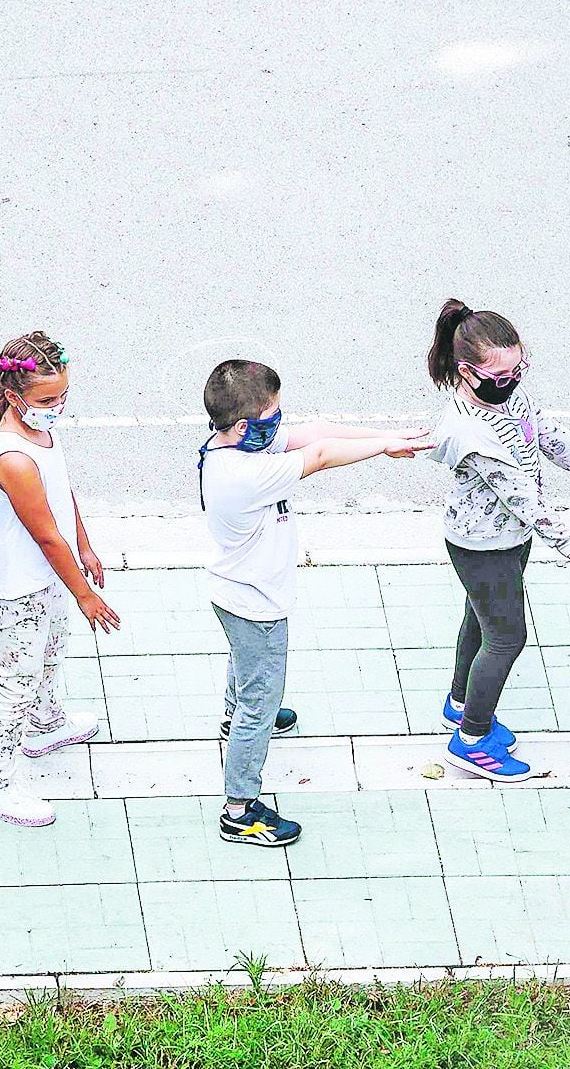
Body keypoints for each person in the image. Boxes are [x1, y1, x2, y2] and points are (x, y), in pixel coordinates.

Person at [196, 359, 428, 846]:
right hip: (255, 601)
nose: (280, 423)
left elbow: (316, 433)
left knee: (247, 669)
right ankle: (239, 809)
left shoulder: (231, 445)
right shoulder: (245, 475)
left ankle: (233, 713)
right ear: (244, 425)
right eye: (273, 415)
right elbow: (319, 453)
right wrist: (385, 448)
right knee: (260, 700)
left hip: (234, 591)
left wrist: (384, 435)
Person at [423, 299, 570, 782]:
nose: (512, 380)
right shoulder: (467, 431)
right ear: (467, 372)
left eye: (518, 368)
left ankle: (461, 703)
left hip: (508, 539)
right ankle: (471, 739)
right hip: (482, 545)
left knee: (480, 620)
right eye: (501, 374)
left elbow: (548, 436)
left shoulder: (510, 398)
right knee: (507, 638)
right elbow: (519, 496)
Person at [0, 332, 113, 828]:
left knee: (51, 646)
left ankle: (44, 723)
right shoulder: (14, 458)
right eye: (48, 400)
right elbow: (47, 535)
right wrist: (85, 595)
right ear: (14, 396)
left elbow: (62, 493)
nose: (58, 408)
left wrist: (86, 544)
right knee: (17, 677)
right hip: (18, 583)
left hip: (44, 575)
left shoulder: (40, 433)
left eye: (63, 397)